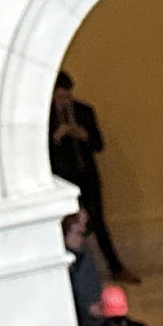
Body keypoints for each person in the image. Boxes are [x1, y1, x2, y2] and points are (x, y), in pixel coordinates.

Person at [50, 67, 121, 272]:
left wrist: (83, 135)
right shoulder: (46, 117)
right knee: (68, 225)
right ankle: (71, 270)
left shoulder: (84, 111)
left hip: (87, 174)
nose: (65, 100)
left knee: (98, 220)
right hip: (65, 178)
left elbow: (99, 145)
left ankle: (115, 267)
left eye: (68, 94)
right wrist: (57, 136)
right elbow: (42, 150)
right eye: (60, 96)